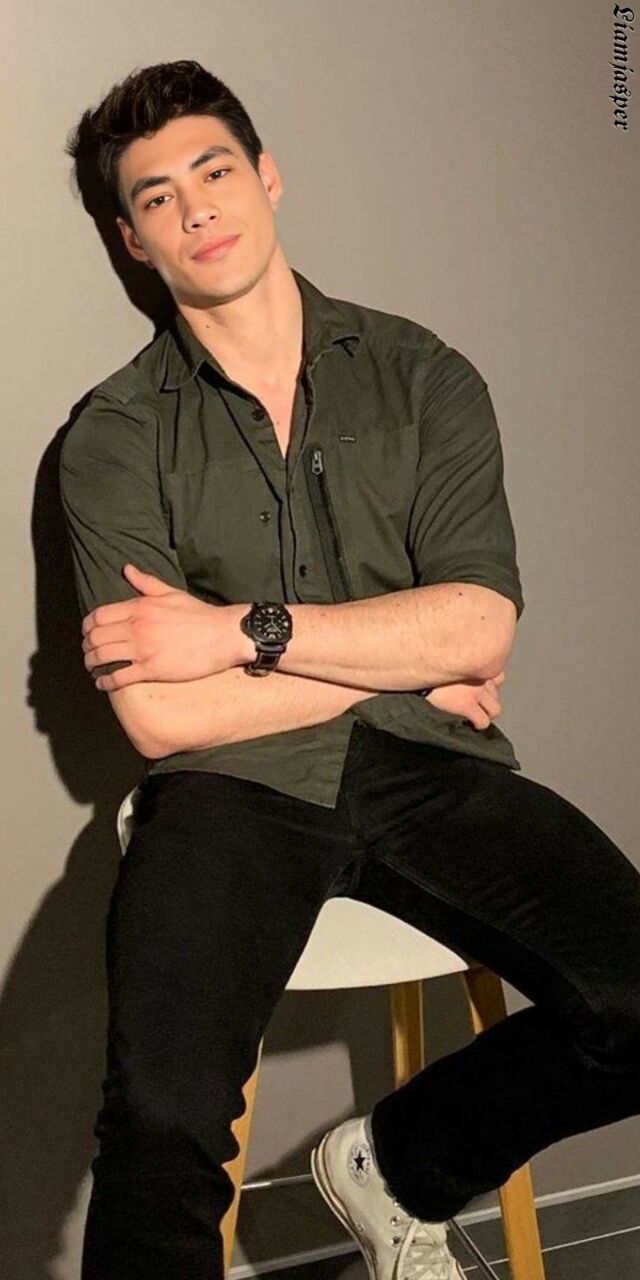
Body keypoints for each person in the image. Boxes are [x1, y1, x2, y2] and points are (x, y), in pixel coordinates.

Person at [60, 59, 640, 1280]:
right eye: (158, 197)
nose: (197, 208)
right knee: (159, 1122)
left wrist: (238, 630)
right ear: (132, 239)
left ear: (266, 177)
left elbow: (478, 625)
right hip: (228, 785)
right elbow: (158, 718)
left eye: (215, 171)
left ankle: (401, 1163)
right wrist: (399, 658)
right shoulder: (113, 434)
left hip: (432, 768)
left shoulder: (422, 373)